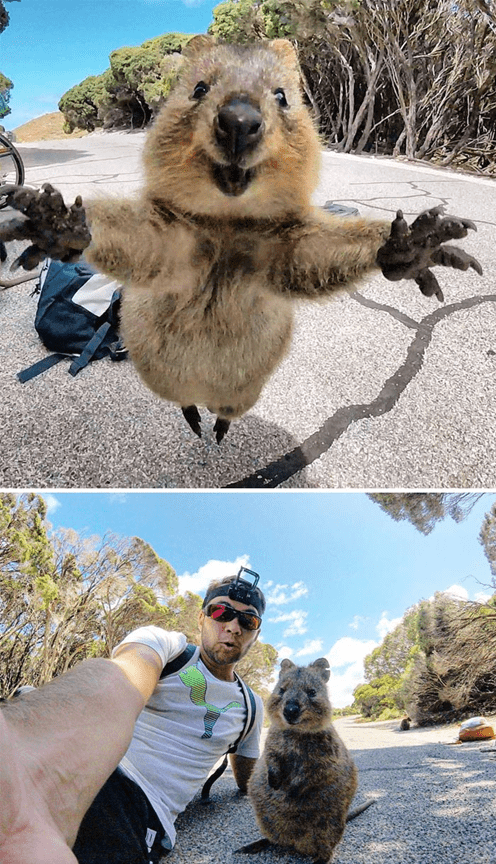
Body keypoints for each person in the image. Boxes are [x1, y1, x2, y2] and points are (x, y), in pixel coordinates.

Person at [0, 570, 266, 864]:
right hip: (88, 760)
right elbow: (121, 678)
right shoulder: (166, 646)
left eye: (248, 620)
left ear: (256, 633)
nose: (233, 626)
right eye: (220, 612)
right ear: (202, 619)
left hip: (138, 805)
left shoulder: (251, 706)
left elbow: (246, 780)